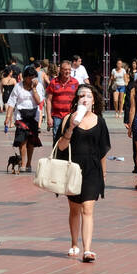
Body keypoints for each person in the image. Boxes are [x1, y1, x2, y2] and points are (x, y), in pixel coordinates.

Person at [55, 82, 111, 262]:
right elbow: (61, 147)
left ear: (94, 100)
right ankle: (74, 243)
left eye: (88, 96)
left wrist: (103, 173)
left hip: (92, 169)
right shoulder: (67, 119)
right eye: (81, 96)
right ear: (77, 100)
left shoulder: (100, 121)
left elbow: (103, 150)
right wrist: (71, 127)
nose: (85, 99)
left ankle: (87, 249)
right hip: (73, 168)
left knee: (88, 208)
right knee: (74, 209)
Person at [6, 65, 45, 172]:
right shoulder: (18, 86)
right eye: (29, 77)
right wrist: (8, 117)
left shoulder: (39, 86)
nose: (31, 79)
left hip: (33, 116)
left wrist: (34, 88)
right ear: (25, 77)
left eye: (34, 77)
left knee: (31, 141)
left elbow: (38, 101)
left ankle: (29, 163)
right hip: (20, 116)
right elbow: (11, 102)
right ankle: (23, 162)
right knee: (22, 140)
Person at [45, 59, 78, 142]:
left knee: (71, 138)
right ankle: (56, 155)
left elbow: (78, 99)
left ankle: (69, 155)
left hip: (70, 116)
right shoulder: (53, 82)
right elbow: (48, 100)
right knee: (57, 138)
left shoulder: (75, 82)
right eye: (65, 69)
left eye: (69, 70)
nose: (68, 71)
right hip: (57, 116)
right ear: (60, 70)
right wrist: (49, 117)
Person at [0, 64, 17, 131]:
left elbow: (1, 90)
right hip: (12, 96)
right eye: (11, 72)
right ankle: (11, 123)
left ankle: (7, 122)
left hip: (5, 95)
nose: (12, 73)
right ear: (9, 73)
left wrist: (3, 93)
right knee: (11, 110)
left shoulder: (2, 80)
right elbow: (16, 89)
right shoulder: (13, 80)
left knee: (7, 110)